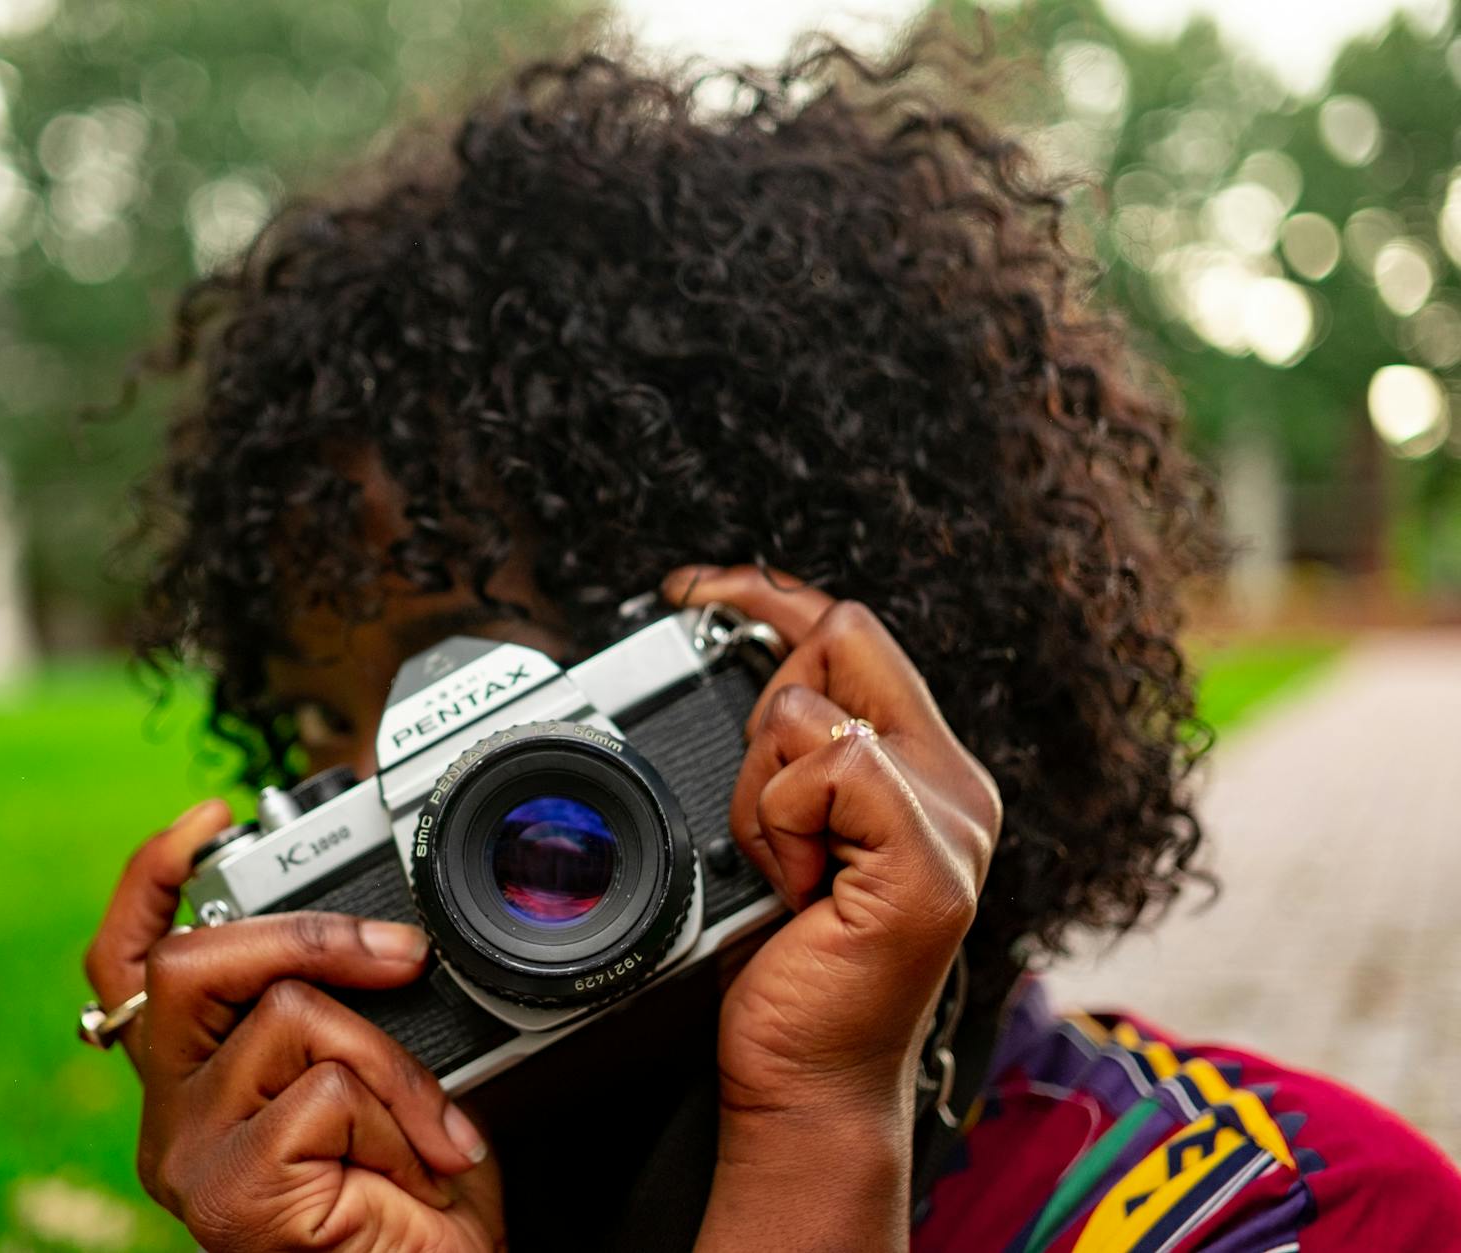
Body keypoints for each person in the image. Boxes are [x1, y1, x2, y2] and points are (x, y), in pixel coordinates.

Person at [78, 25, 1461, 1252]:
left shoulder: (1304, 1216)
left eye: (493, 726)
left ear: (803, 683)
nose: (417, 821)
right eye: (327, 738)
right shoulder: (368, 1212)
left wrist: (818, 1118)